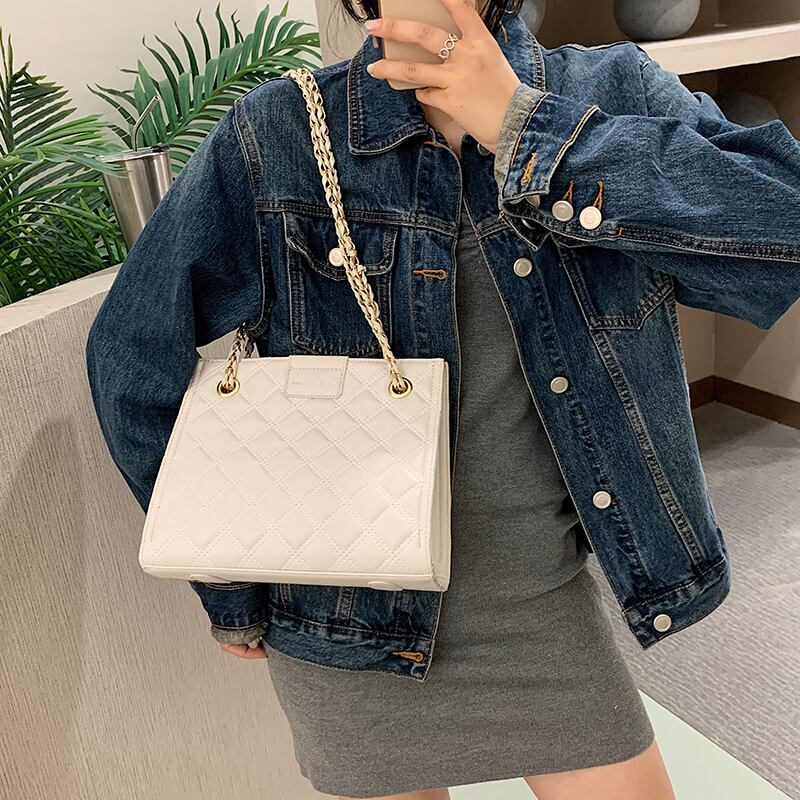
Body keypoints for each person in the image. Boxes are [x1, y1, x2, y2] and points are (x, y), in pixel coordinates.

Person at [85, 0, 800, 798]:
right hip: (345, 619)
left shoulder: (611, 93)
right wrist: (228, 583)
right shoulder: (279, 133)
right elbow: (130, 357)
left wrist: (530, 131)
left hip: (541, 604)